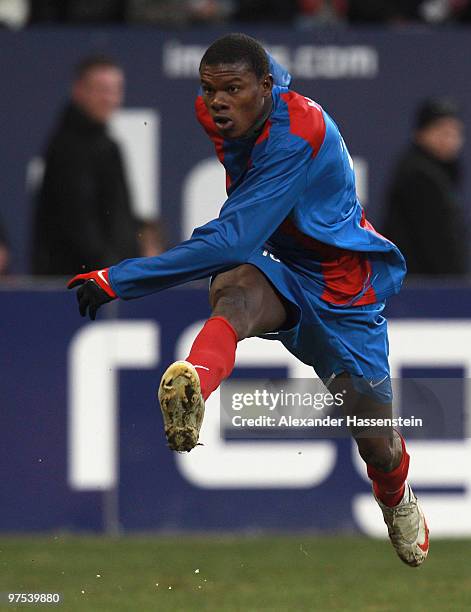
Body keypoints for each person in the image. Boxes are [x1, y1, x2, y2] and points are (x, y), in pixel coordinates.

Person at [68, 33, 429, 567]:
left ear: (264, 89)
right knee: (234, 290)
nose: (217, 102)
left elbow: (232, 238)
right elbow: (239, 250)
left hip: (342, 294)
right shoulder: (224, 103)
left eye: (232, 89)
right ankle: (193, 381)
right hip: (279, 269)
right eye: (209, 88)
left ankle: (396, 497)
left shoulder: (297, 133)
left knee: (376, 441)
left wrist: (120, 278)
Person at [32, 55, 147, 275]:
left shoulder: (106, 145)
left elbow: (117, 214)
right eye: (101, 89)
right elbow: (78, 222)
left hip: (102, 281)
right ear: (78, 90)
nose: (110, 98)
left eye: (115, 90)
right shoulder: (68, 148)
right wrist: (114, 273)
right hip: (78, 286)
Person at [383, 98, 468, 276]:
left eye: (454, 133)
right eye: (442, 131)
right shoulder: (419, 175)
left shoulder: (440, 172)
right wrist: (458, 286)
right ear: (420, 134)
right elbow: (438, 243)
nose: (449, 139)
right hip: (423, 288)